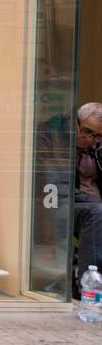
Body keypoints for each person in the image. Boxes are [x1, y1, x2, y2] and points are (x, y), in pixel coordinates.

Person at [76, 102, 102, 297]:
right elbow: (59, 188)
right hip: (73, 206)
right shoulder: (62, 144)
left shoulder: (97, 148)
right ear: (77, 125)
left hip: (95, 205)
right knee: (96, 211)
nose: (92, 139)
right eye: (88, 132)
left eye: (98, 135)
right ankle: (88, 289)